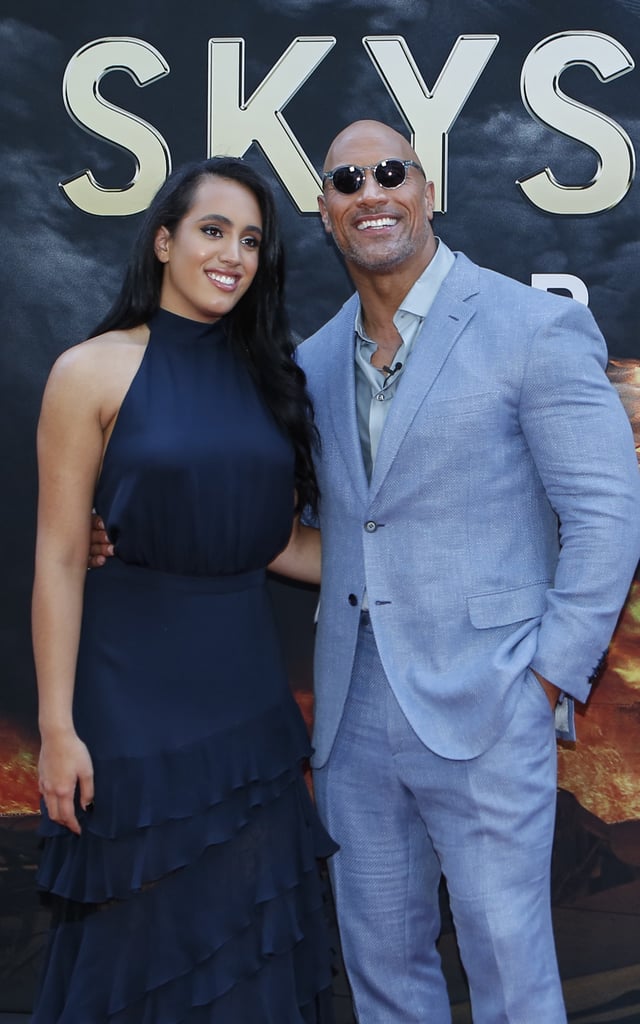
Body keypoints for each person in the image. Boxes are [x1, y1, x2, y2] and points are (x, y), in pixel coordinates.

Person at [91, 121, 640, 1023]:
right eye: (348, 180)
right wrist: (132, 532)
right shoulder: (306, 365)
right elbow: (301, 535)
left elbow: (608, 515)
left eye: (392, 172)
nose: (370, 190)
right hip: (352, 717)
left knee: (511, 972)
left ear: (428, 190)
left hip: (491, 703)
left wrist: (544, 680)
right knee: (383, 972)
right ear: (326, 211)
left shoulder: (535, 326)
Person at [32, 156, 336, 1023]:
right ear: (164, 240)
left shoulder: (272, 378)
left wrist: (436, 557)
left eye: (251, 240)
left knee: (245, 935)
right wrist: (57, 728)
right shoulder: (88, 370)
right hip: (126, 695)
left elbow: (279, 540)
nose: (232, 254)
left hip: (245, 694)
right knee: (142, 939)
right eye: (213, 230)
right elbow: (58, 557)